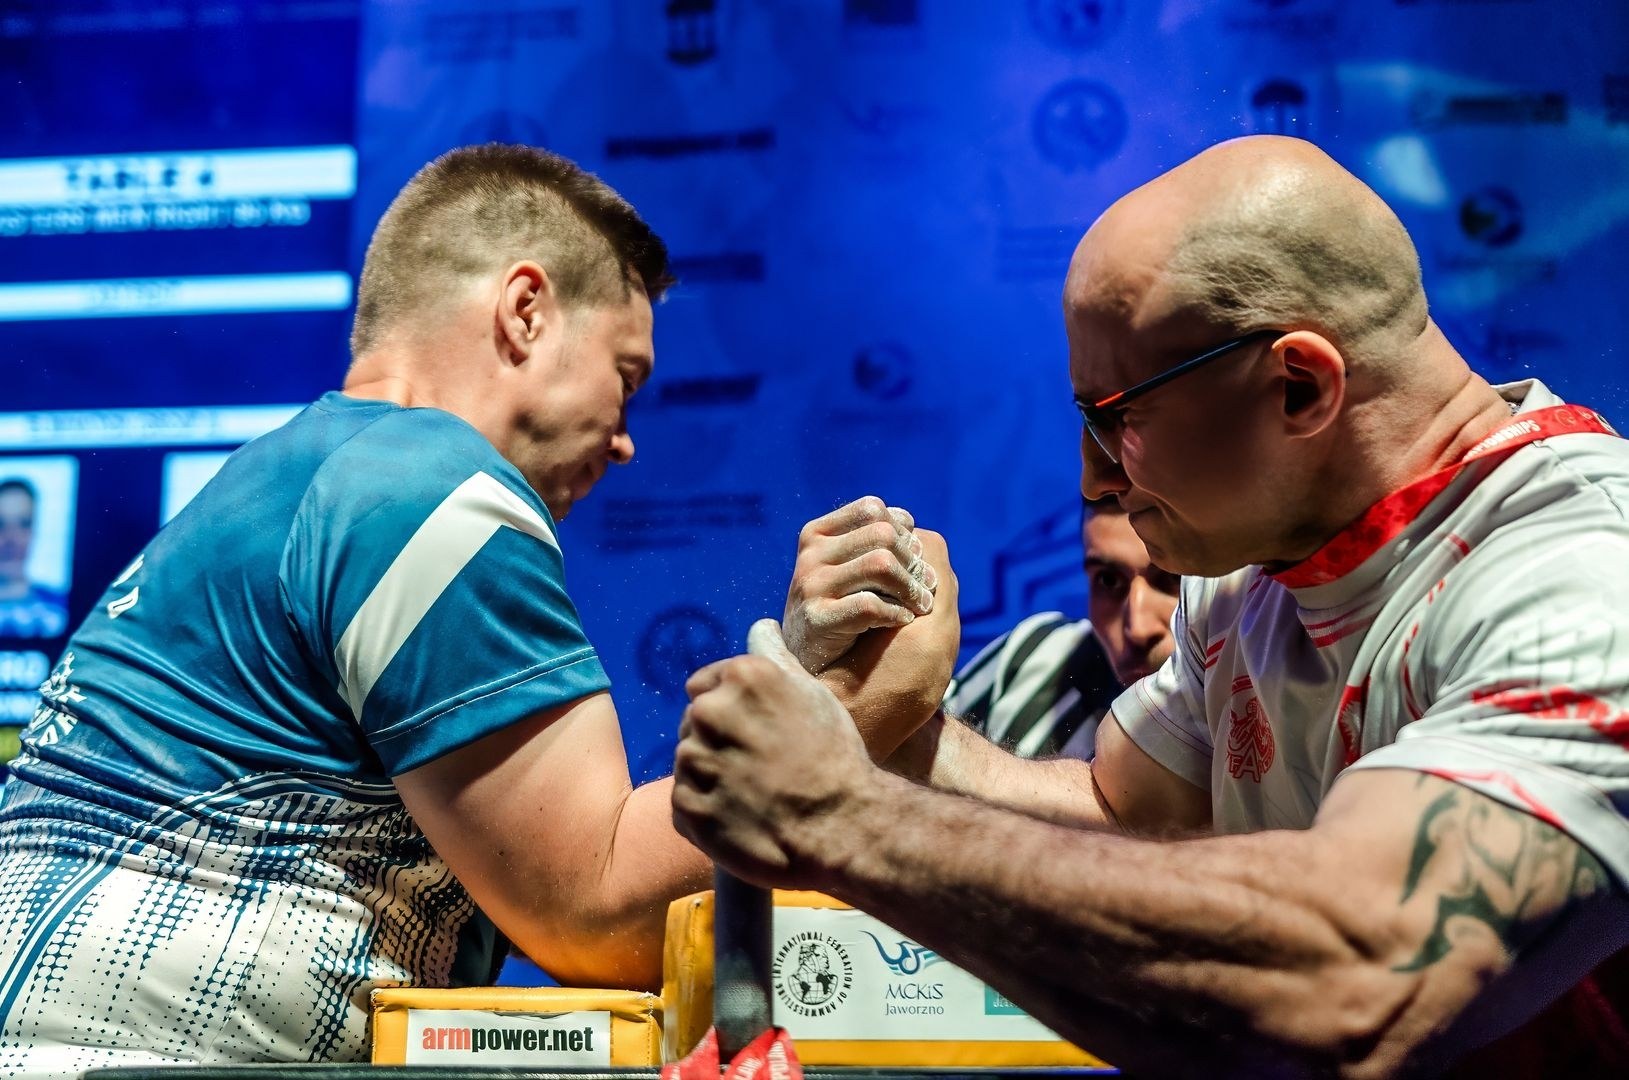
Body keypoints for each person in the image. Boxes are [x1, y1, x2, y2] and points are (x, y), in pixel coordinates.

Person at [670, 135, 1629, 1076]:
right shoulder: (1248, 566)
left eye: (1119, 417)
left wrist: (849, 818)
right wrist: (887, 723)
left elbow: (1355, 980)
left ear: (1299, 386)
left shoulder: (1582, 580)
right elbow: (1119, 812)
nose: (1093, 479)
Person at [0, 145, 946, 1074]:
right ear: (525, 311)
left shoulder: (288, 475)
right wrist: (869, 706)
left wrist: (797, 677)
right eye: (625, 377)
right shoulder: (426, 488)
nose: (625, 441)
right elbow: (593, 913)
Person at [944, 496, 1176, 759]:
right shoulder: (1039, 651)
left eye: (1175, 578)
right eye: (1108, 580)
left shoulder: (1215, 737)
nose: (1138, 629)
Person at [0, 478, 69, 640]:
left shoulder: (59, 606)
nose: (11, 539)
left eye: (24, 524)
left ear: (34, 530)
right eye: (0, 524)